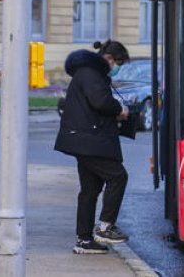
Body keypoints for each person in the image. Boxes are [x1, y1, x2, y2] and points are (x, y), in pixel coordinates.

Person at [54, 39, 132, 255]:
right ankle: (106, 227)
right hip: (91, 140)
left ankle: (84, 239)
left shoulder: (87, 72)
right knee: (118, 177)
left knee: (90, 190)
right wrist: (120, 110)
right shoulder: (91, 73)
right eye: (118, 63)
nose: (117, 68)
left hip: (84, 139)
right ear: (108, 58)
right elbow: (100, 101)